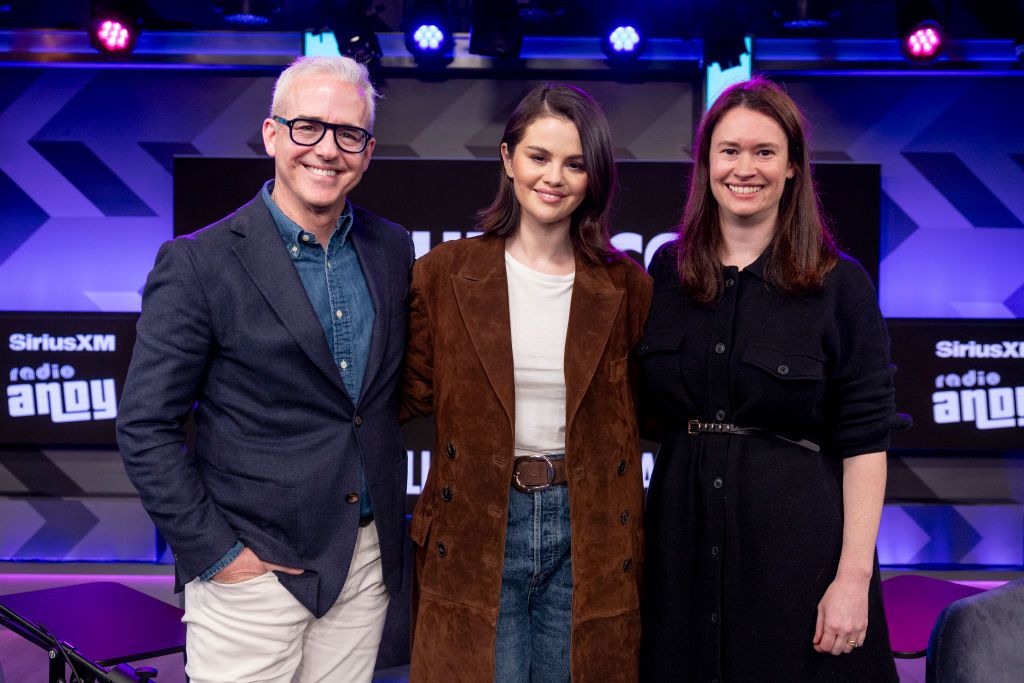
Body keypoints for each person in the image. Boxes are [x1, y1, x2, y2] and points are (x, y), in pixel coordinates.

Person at [116, 56, 413, 683]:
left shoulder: (393, 248)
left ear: (368, 150)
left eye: (348, 134)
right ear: (273, 133)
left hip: (363, 564)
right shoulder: (199, 263)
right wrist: (217, 555)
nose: (327, 150)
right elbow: (145, 426)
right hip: (252, 571)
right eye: (308, 127)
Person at [638, 77, 905, 682]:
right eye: (729, 150)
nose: (745, 168)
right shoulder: (667, 274)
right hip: (678, 550)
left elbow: (866, 444)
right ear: (707, 161)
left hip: (798, 560)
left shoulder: (842, 286)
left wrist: (853, 577)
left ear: (791, 168)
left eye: (765, 152)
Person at [401, 84, 652, 682]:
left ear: (595, 177)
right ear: (508, 158)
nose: (555, 178)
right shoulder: (444, 275)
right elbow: (404, 396)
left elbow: (650, 408)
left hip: (587, 527)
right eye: (539, 157)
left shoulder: (626, 285)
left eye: (575, 163)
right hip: (474, 526)